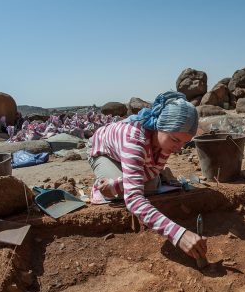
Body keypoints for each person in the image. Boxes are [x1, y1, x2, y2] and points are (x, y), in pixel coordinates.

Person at [88, 91, 207, 263]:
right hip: (104, 151)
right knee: (122, 192)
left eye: (184, 142)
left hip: (137, 154)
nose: (179, 148)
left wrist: (122, 182)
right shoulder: (134, 141)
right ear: (159, 126)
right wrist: (178, 234)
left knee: (149, 185)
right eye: (175, 140)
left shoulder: (167, 141)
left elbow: (152, 171)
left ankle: (128, 176)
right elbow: (134, 199)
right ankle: (105, 183)